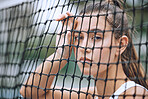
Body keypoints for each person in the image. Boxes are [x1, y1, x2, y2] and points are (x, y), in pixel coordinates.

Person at [20, 0, 148, 98]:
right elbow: (30, 92)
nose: (84, 46)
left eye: (96, 37)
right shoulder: (91, 95)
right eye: (78, 37)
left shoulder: (135, 95)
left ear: (120, 45)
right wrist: (60, 55)